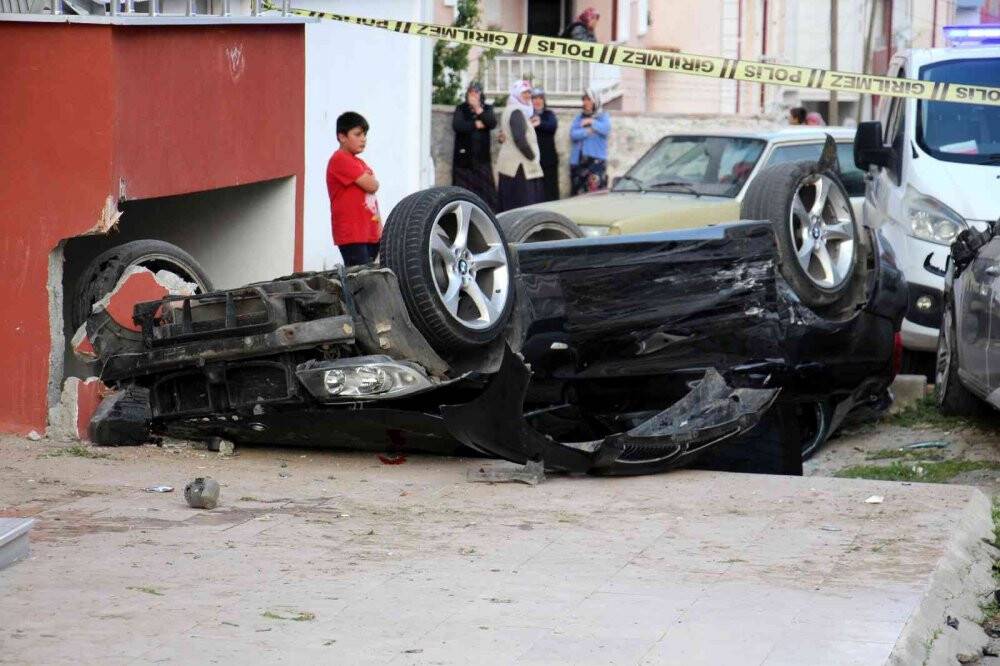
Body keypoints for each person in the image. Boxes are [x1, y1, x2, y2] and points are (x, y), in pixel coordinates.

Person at [327, 111, 381, 267]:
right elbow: (372, 185)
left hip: (369, 232)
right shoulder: (340, 159)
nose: (363, 139)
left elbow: (372, 198)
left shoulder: (360, 163)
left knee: (370, 277)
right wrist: (374, 183)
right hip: (352, 234)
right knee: (361, 280)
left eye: (364, 135)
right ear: (342, 137)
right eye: (357, 134)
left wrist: (379, 228)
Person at [496, 80, 545, 212]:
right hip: (519, 169)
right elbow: (520, 140)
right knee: (521, 208)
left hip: (512, 167)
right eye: (524, 92)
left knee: (509, 206)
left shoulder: (514, 110)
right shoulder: (516, 111)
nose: (529, 95)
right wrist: (532, 157)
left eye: (529, 92)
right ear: (516, 93)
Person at [451, 81, 498, 210]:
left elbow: (491, 123)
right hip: (464, 159)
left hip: (482, 159)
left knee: (485, 195)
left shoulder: (487, 108)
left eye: (476, 92)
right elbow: (458, 126)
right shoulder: (461, 108)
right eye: (471, 92)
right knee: (463, 193)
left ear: (481, 94)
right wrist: (475, 124)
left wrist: (478, 109)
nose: (473, 95)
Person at [569, 88, 611, 195]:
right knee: (578, 193)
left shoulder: (603, 116)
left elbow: (605, 129)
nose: (586, 103)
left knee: (595, 194)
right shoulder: (579, 117)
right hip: (578, 161)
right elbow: (573, 134)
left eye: (589, 99)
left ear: (595, 100)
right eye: (584, 100)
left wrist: (591, 121)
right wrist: (587, 131)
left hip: (596, 161)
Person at [530, 87, 560, 202]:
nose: (537, 101)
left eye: (540, 98)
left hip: (549, 159)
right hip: (533, 160)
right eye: (534, 98)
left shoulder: (549, 114)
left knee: (550, 191)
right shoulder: (528, 115)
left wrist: (539, 123)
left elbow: (552, 126)